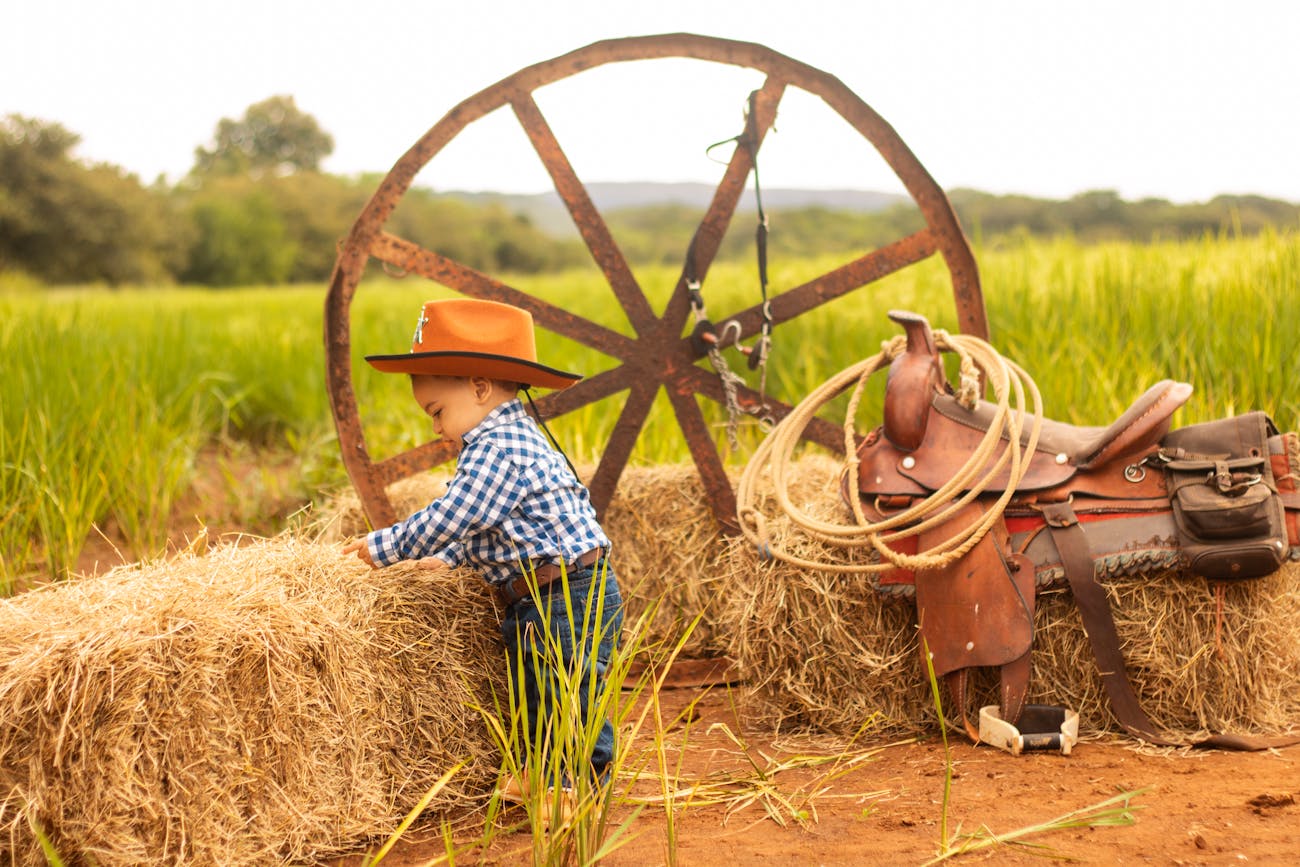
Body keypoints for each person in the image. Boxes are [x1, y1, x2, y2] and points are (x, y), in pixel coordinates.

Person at [342, 297, 623, 810]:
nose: (435, 429)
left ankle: (577, 784)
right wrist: (451, 560)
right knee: (535, 686)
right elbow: (493, 526)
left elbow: (457, 515)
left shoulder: (500, 445)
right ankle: (545, 775)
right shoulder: (500, 440)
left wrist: (385, 548)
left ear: (478, 388)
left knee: (566, 691)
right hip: (542, 592)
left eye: (437, 413)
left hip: (567, 593)